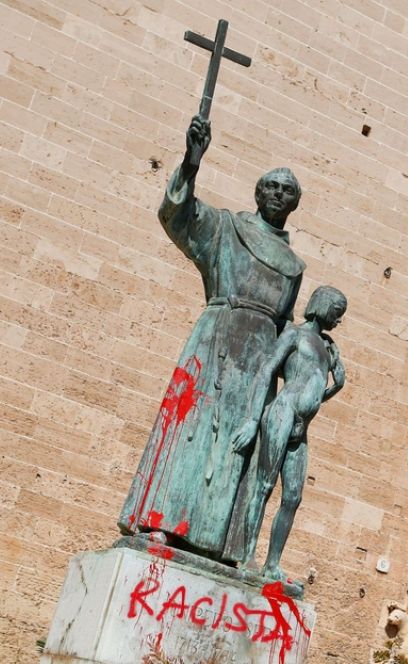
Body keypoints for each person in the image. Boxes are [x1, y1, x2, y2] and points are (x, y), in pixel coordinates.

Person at [118, 116, 306, 559]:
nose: (278, 193)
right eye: (271, 186)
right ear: (258, 193)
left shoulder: (296, 267)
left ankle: (220, 543)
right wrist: (191, 162)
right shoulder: (226, 228)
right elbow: (177, 215)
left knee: (239, 448)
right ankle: (163, 522)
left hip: (258, 363)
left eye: (287, 190)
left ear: (294, 203)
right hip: (218, 339)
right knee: (193, 428)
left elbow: (285, 323)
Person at [223, 286, 347, 578]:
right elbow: (266, 370)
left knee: (293, 497)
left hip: (302, 426)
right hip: (283, 412)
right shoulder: (294, 334)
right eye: (337, 312)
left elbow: (315, 393)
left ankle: (272, 563)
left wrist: (337, 385)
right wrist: (252, 419)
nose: (339, 320)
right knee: (264, 486)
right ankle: (248, 556)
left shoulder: (327, 347)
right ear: (323, 305)